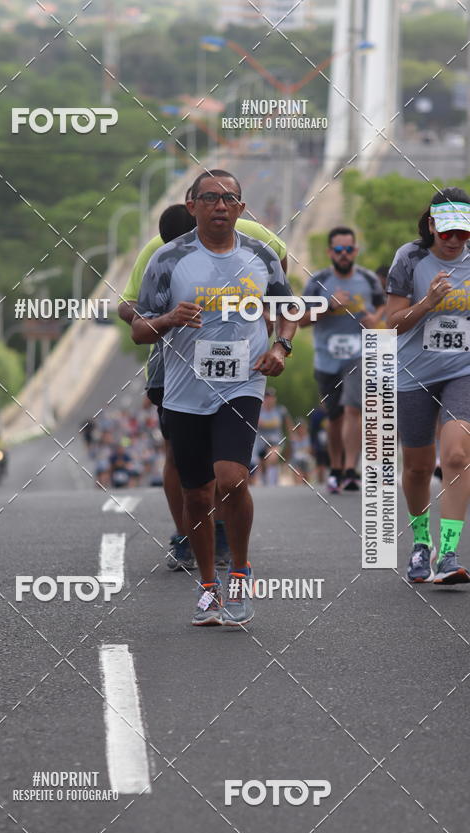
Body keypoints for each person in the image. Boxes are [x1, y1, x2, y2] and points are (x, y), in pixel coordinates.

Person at [132, 169, 296, 626]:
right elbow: (139, 329)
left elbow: (288, 310)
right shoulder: (168, 259)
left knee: (232, 478)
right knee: (197, 494)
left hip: (242, 382)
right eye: (209, 198)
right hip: (184, 389)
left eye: (229, 199)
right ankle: (208, 587)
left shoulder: (261, 255)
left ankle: (239, 574)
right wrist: (168, 319)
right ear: (192, 206)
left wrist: (281, 347)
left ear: (241, 208)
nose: (220, 206)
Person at [386, 186, 470, 584]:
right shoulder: (409, 258)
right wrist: (427, 303)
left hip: (462, 370)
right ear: (433, 226)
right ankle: (422, 543)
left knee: (456, 455)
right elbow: (392, 323)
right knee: (418, 467)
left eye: (463, 232)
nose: (454, 240)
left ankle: (449, 553)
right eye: (448, 231)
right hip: (414, 373)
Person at [300, 226, 385, 493]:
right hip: (327, 360)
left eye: (349, 249)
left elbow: (384, 305)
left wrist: (376, 319)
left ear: (355, 251)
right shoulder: (318, 281)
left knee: (352, 409)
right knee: (334, 416)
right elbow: (300, 319)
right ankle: (335, 469)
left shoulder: (369, 280)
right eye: (339, 249)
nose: (344, 254)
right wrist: (329, 306)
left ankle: (350, 469)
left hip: (358, 356)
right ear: (330, 252)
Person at [251, 388, 294, 486]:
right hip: (260, 442)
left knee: (272, 457)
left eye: (271, 397)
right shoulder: (258, 410)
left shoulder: (280, 410)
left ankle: (272, 483)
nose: (269, 400)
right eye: (267, 397)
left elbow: (288, 423)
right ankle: (266, 481)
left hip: (275, 440)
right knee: (262, 464)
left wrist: (291, 435)